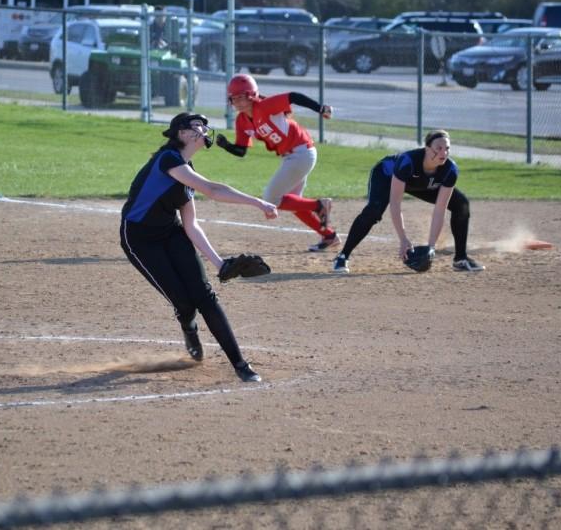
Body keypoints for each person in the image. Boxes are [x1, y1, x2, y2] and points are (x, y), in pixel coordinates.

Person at [120, 112, 279, 382]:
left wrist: (220, 264)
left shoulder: (186, 171)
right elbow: (213, 190)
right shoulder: (168, 159)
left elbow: (191, 226)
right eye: (197, 126)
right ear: (182, 133)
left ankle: (241, 365)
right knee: (184, 302)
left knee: (205, 297)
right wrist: (259, 203)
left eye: (204, 126)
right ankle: (188, 325)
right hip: (139, 239)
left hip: (171, 233)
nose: (204, 129)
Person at [331, 130, 484, 274]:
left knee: (461, 204)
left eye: (447, 148)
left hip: (421, 183)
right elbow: (395, 203)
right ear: (427, 148)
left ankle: (460, 259)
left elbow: (440, 209)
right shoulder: (407, 161)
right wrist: (403, 239)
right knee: (374, 211)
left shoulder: (450, 170)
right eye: (439, 148)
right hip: (387, 175)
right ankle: (343, 256)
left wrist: (431, 246)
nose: (443, 153)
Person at [216, 73, 339, 251]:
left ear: (252, 95)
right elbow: (241, 150)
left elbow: (294, 96)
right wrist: (225, 145)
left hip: (301, 152)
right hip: (292, 157)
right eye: (234, 99)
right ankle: (329, 236)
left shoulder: (265, 106)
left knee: (271, 199)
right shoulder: (242, 120)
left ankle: (319, 205)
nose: (238, 102)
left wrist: (320, 108)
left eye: (242, 97)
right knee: (295, 205)